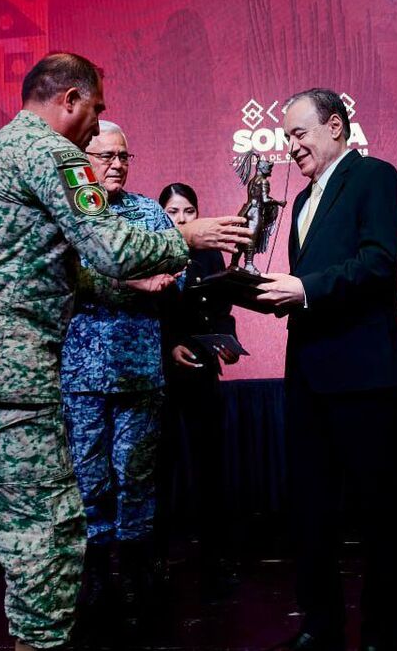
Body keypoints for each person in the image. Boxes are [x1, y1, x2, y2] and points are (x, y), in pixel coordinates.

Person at [0, 52, 250, 651]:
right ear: (68, 99)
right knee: (49, 537)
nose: (98, 125)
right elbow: (116, 249)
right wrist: (184, 236)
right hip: (3, 379)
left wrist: (115, 280)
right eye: (96, 109)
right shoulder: (54, 155)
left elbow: (28, 265)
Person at [257, 88, 397, 651]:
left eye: (298, 134)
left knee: (378, 515)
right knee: (310, 512)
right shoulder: (300, 203)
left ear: (334, 127)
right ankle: (320, 626)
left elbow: (378, 263)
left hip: (365, 373)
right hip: (307, 375)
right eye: (285, 137)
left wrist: (304, 289)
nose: (290, 146)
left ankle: (379, 635)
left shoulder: (375, 177)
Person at [59, 121, 176, 628]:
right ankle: (94, 576)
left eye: (124, 156)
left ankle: (135, 573)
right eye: (106, 155)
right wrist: (130, 276)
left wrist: (158, 278)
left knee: (136, 475)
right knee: (89, 475)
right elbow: (70, 272)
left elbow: (179, 266)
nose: (117, 165)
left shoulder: (148, 211)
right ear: (84, 158)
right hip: (82, 373)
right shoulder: (72, 212)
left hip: (140, 370)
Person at [157, 182, 243, 598]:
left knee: (211, 468)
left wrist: (227, 341)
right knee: (160, 469)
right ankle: (154, 559)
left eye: (189, 210)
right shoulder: (151, 250)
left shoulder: (210, 252)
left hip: (203, 370)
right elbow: (145, 313)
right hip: (162, 377)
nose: (183, 219)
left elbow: (222, 308)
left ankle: (216, 556)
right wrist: (167, 346)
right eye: (173, 212)